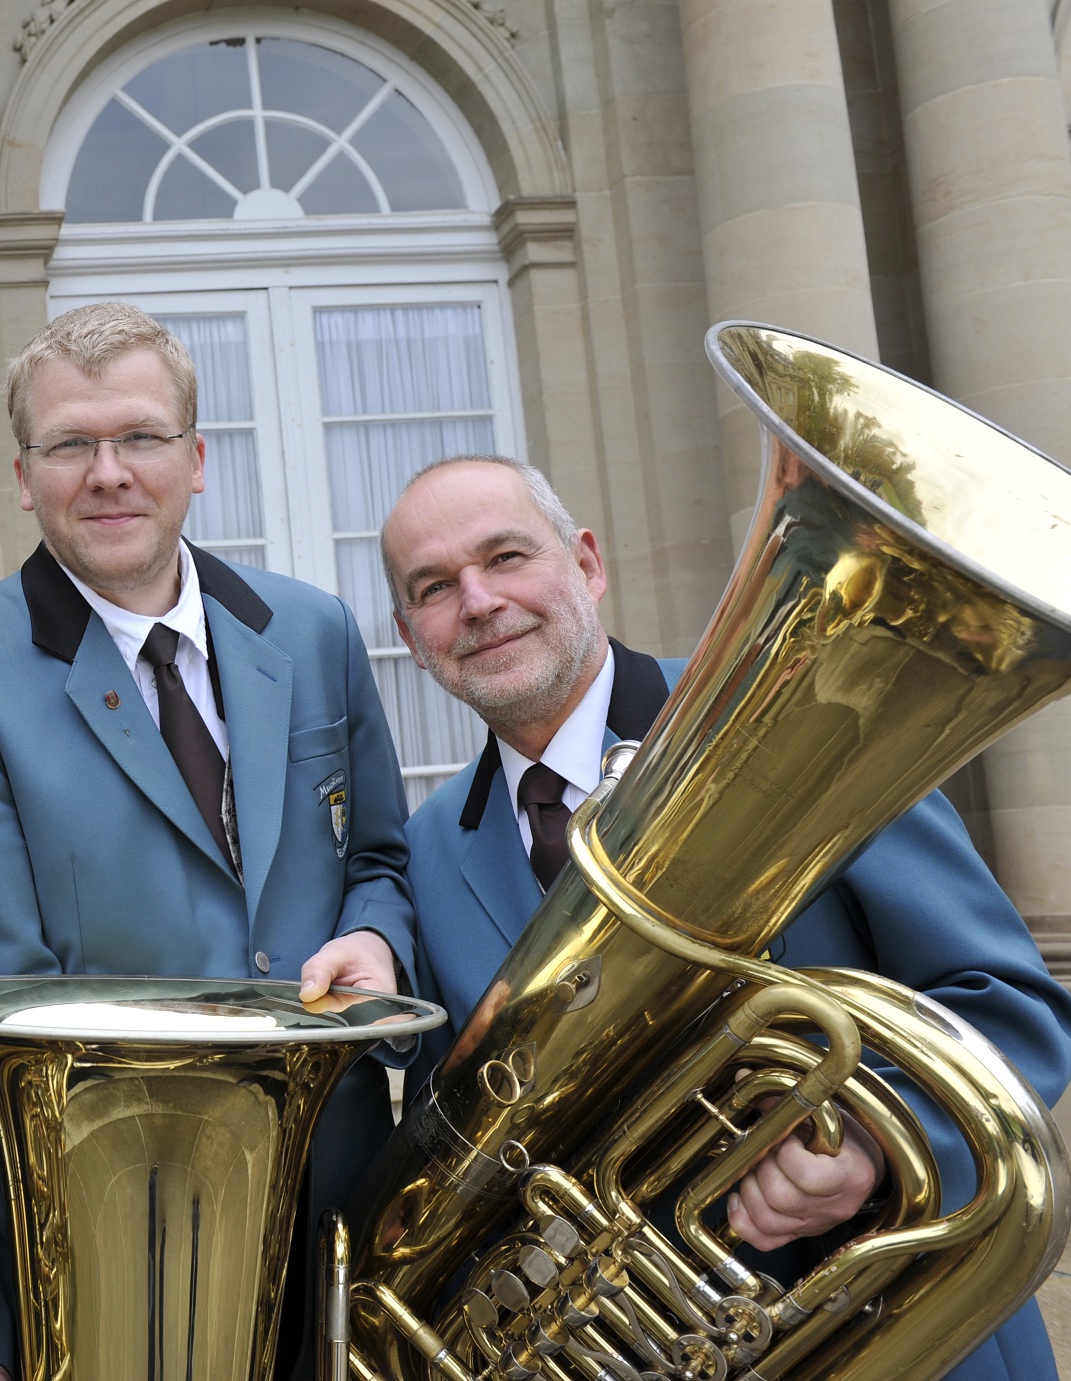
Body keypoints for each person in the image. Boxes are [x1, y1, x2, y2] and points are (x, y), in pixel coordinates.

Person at [313, 452, 1071, 1379]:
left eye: (507, 556)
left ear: (585, 563)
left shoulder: (798, 713)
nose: (476, 602)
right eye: (434, 587)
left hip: (896, 1334)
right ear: (409, 633)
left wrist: (877, 1142)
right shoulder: (429, 850)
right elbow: (467, 1162)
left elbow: (1005, 1002)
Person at [0, 303, 418, 1379]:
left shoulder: (310, 629)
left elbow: (380, 863)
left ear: (197, 459)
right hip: (134, 1236)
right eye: (70, 445)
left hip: (346, 1209)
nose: (109, 472)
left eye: (139, 438)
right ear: (24, 477)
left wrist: (378, 942)